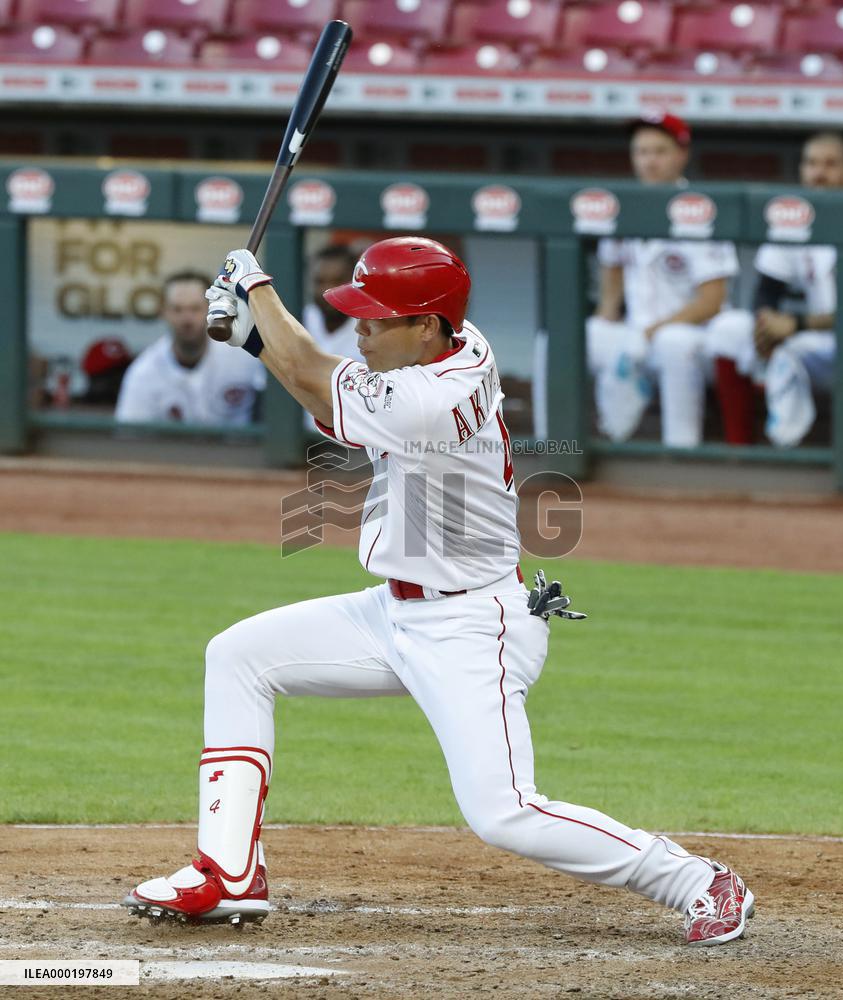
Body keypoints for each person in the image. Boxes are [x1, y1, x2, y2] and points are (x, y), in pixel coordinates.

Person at [123, 237, 754, 946]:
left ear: (426, 326)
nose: (360, 326)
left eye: (377, 317)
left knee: (503, 813)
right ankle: (230, 871)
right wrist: (253, 336)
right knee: (238, 655)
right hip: (393, 611)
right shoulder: (455, 341)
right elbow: (323, 389)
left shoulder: (431, 397)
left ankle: (696, 880)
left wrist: (256, 294)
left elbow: (313, 374)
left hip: (470, 625)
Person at [588, 113, 739, 448]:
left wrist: (649, 333)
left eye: (659, 151)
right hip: (638, 333)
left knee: (675, 343)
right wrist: (611, 332)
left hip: (696, 336)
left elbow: (712, 301)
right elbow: (610, 299)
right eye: (641, 152)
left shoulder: (700, 210)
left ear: (681, 155)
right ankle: (557, 445)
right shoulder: (621, 209)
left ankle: (681, 450)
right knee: (569, 339)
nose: (648, 161)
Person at [707, 132, 843, 446]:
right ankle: (746, 448)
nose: (818, 173)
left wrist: (796, 325)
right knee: (730, 328)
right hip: (821, 342)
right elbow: (766, 292)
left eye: (830, 164)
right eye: (811, 163)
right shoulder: (796, 216)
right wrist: (767, 326)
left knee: (791, 352)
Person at [114, 271, 265, 425]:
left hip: (240, 448)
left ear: (212, 308)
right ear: (163, 312)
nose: (187, 319)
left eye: (195, 308)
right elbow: (130, 441)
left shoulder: (245, 356)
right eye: (177, 309)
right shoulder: (143, 373)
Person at [301, 244, 364, 433]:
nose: (327, 290)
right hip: (305, 441)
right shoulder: (297, 320)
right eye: (320, 281)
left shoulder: (371, 326)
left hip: (357, 444)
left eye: (337, 281)